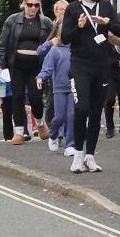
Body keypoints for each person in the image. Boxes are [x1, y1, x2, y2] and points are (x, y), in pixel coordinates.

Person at [60, 0, 120, 173]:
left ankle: (90, 156)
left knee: (97, 111)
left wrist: (107, 23)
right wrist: (79, 26)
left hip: (102, 65)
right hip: (80, 65)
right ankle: (77, 154)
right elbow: (65, 38)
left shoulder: (106, 7)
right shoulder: (73, 9)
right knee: (82, 108)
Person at [0, 0, 52, 144]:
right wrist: (1, 66)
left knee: (36, 98)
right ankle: (20, 131)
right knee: (17, 97)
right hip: (16, 65)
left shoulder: (45, 22)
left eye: (36, 5)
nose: (33, 8)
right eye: (30, 5)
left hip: (36, 65)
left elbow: (54, 41)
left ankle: (40, 123)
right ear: (23, 4)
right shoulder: (12, 20)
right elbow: (3, 45)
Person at [37, 25, 74, 155]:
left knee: (71, 116)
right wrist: (40, 77)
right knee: (59, 117)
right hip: (59, 88)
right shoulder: (55, 50)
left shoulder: (76, 49)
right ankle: (53, 135)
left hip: (74, 88)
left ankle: (70, 144)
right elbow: (47, 68)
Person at [104, 53, 120, 139]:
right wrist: (117, 62)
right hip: (110, 75)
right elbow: (104, 57)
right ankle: (110, 128)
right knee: (109, 100)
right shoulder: (108, 41)